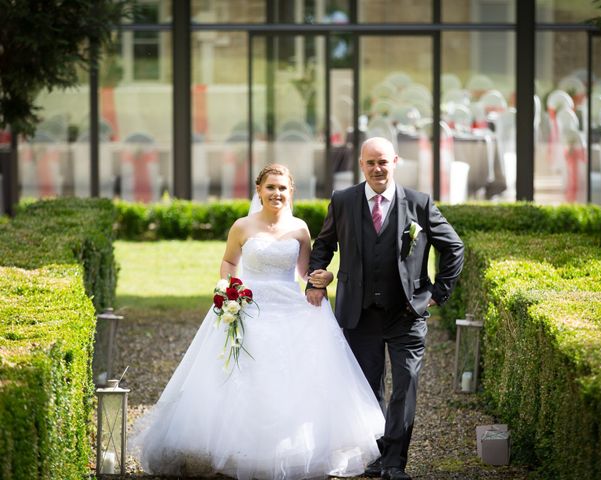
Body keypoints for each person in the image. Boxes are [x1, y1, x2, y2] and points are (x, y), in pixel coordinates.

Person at [129, 164, 385, 479]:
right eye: (270, 188)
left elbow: (305, 273)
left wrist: (322, 277)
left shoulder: (300, 229)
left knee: (292, 380)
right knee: (240, 379)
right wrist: (230, 288)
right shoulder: (242, 227)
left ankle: (288, 450)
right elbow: (228, 262)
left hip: (289, 308)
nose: (276, 194)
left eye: (282, 188)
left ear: (291, 192)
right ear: (259, 191)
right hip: (247, 307)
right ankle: (237, 450)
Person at [306, 137, 464, 480]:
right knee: (366, 390)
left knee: (405, 387)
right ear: (361, 165)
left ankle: (394, 463)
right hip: (358, 314)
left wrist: (437, 293)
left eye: (383, 162)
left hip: (406, 314)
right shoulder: (343, 200)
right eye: (370, 163)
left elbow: (453, 247)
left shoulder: (419, 204)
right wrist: (313, 280)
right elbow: (323, 245)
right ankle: (375, 455)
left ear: (395, 162)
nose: (377, 169)